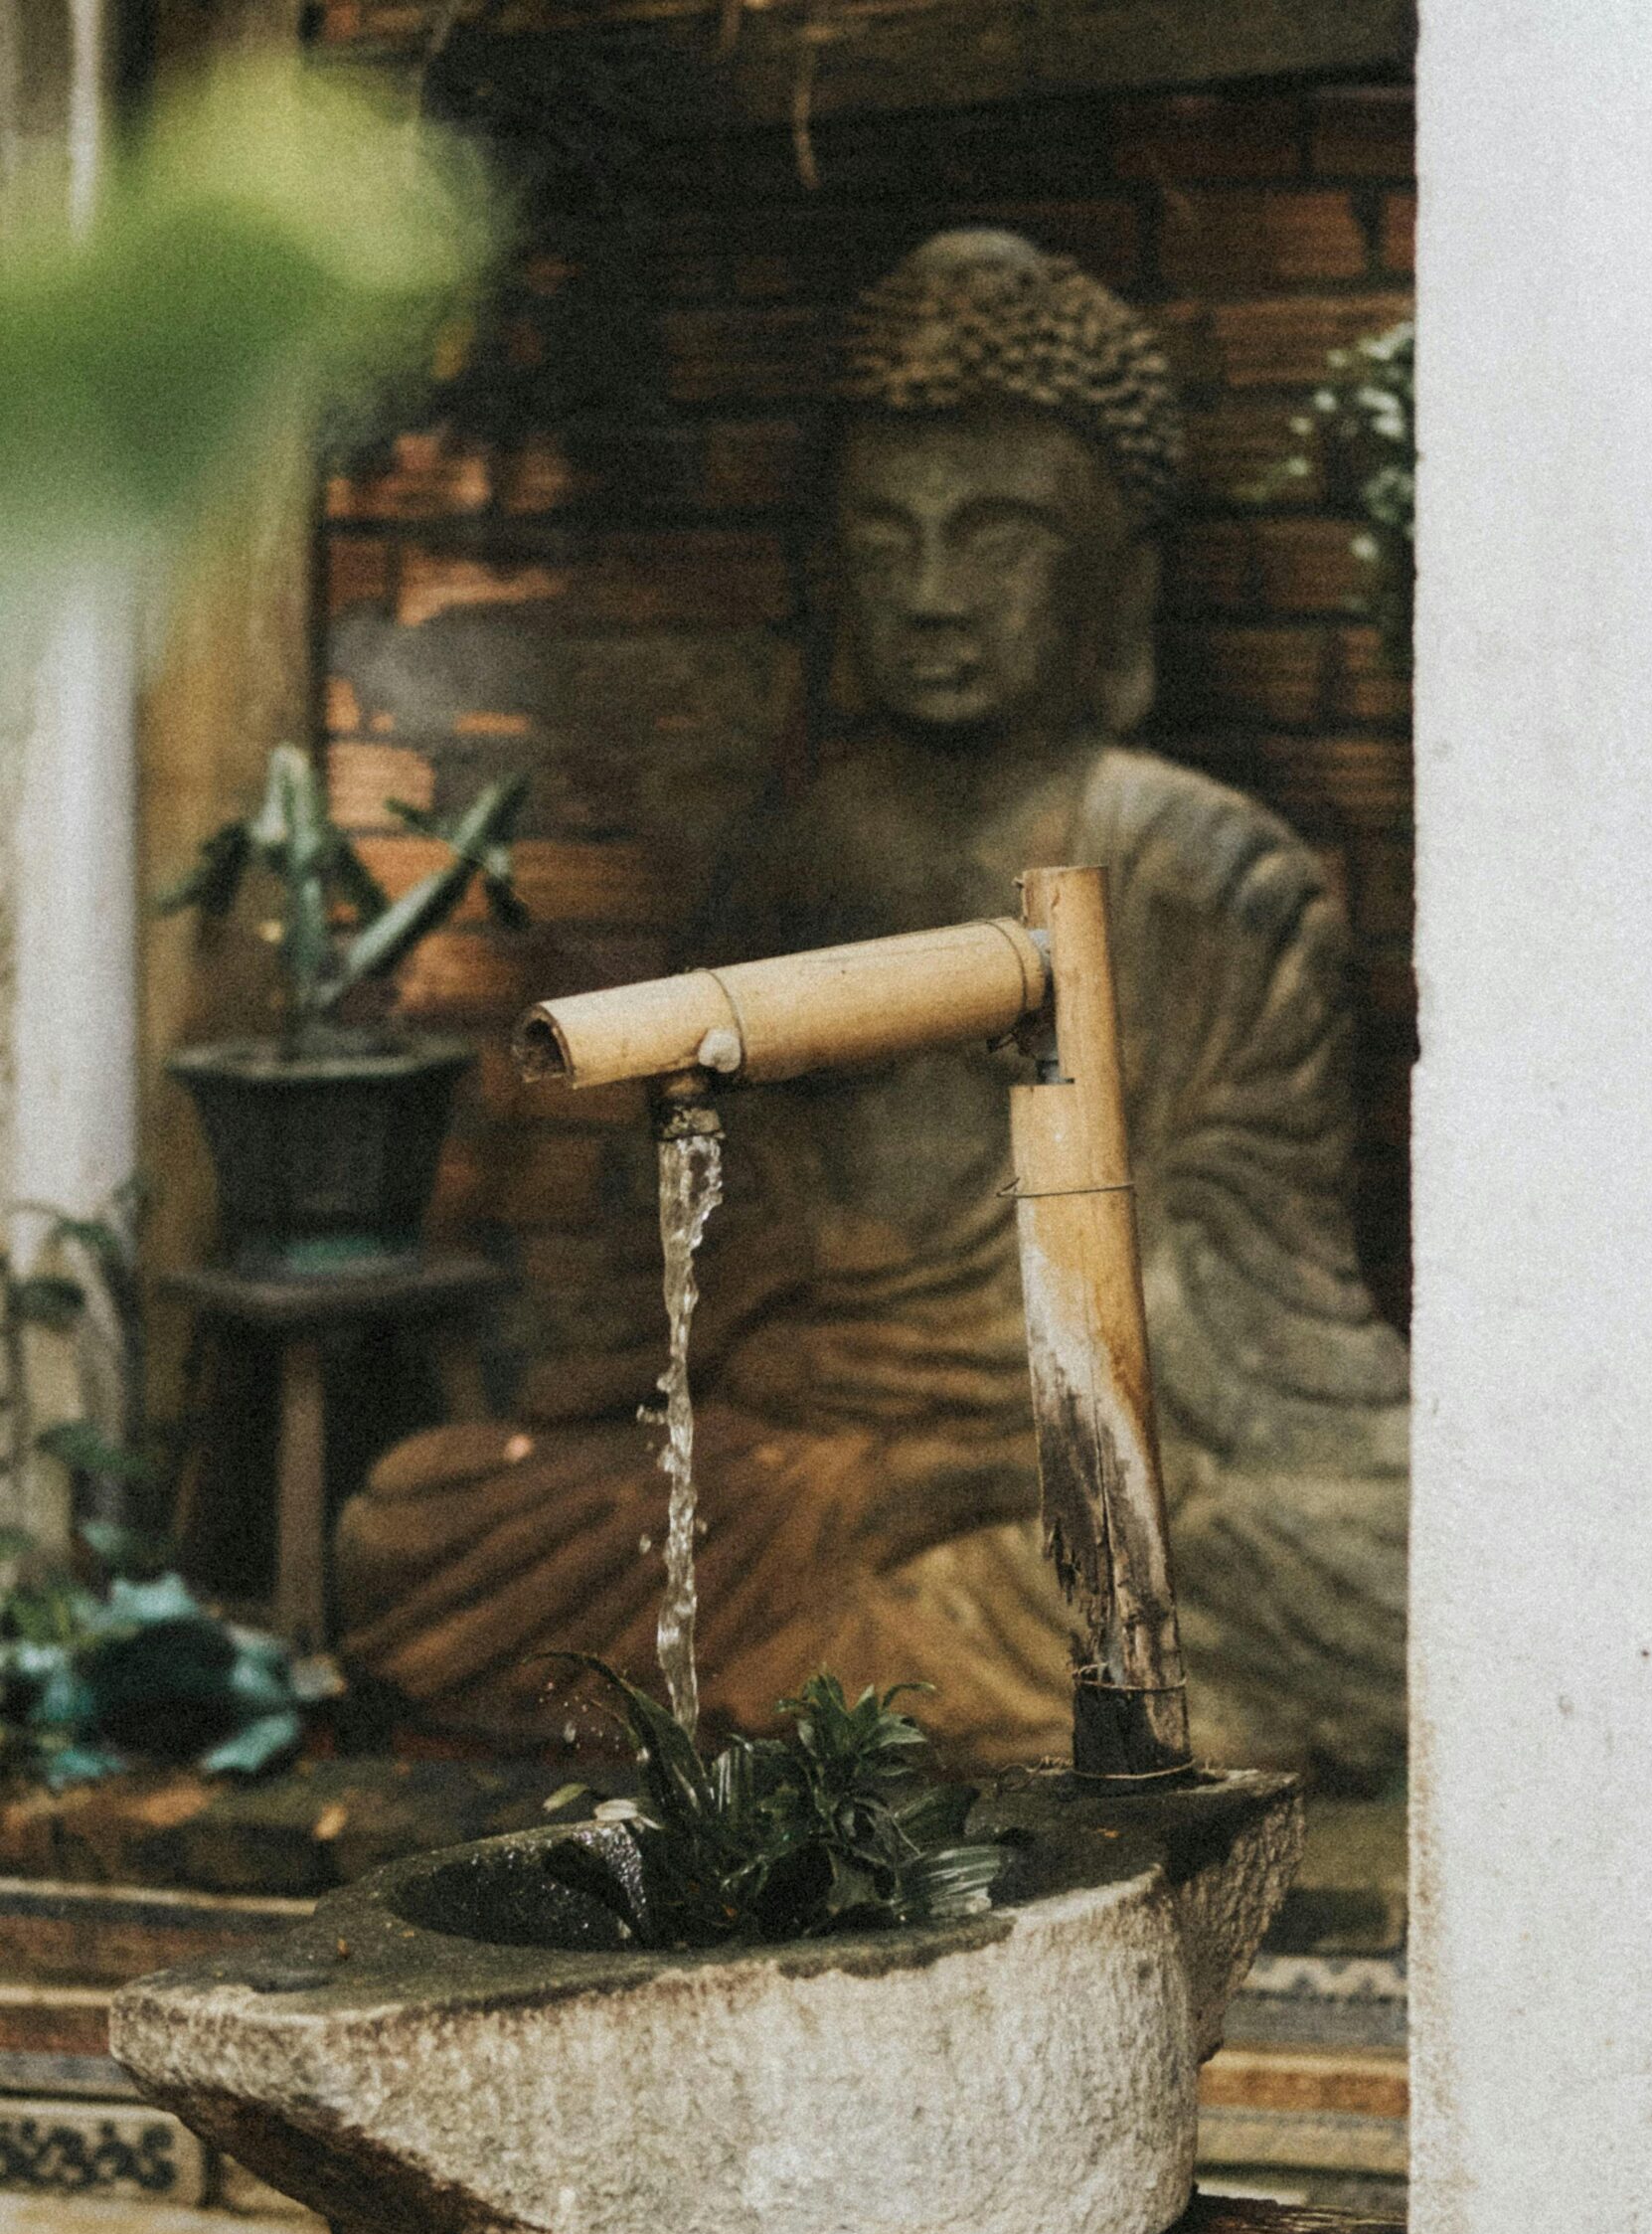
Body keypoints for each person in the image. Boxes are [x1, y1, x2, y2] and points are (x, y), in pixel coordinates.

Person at [337, 231, 1408, 1788]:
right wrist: (809, 1444)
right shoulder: (792, 857)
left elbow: (1262, 1320)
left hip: (1079, 1458)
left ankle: (834, 1670)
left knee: (1370, 1564)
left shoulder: (1209, 871)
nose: (931, 595)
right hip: (808, 1469)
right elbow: (710, 1267)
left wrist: (992, 1456)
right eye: (885, 536)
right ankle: (909, 1667)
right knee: (410, 1523)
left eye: (996, 539)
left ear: (1122, 575)